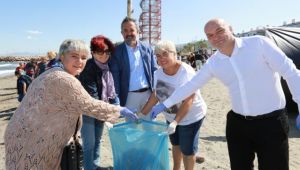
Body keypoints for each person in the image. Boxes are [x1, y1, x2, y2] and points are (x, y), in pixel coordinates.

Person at [149, 18, 300, 170]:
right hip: (238, 124)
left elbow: (291, 72)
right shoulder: (214, 62)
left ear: (231, 28)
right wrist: (165, 104)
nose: (215, 37)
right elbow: (191, 85)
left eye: (219, 31)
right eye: (210, 35)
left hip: (271, 123)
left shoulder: (258, 44)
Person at [4, 39, 138, 170]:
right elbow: (89, 104)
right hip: (34, 143)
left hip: (21, 135)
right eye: (74, 56)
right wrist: (120, 110)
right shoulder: (65, 79)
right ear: (62, 56)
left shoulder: (50, 72)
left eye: (84, 57)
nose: (80, 62)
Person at [141, 40, 207, 170]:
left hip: (190, 117)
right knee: (176, 144)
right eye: (158, 56)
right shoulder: (158, 72)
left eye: (165, 54)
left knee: (188, 150)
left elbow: (189, 99)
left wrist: (176, 122)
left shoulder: (185, 71)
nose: (161, 58)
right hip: (171, 117)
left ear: (174, 54)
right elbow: (156, 94)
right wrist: (142, 113)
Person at [78, 35, 119, 170]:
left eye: (107, 52)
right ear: (93, 52)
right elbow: (92, 96)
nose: (104, 55)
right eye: (100, 52)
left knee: (97, 141)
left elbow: (111, 92)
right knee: (89, 144)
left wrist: (117, 105)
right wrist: (110, 112)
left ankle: (94, 166)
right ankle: (89, 167)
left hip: (100, 110)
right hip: (88, 112)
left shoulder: (106, 67)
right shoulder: (88, 67)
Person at [110, 17, 158, 120]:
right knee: (132, 131)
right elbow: (115, 80)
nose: (129, 33)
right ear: (122, 33)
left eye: (132, 30)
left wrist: (156, 94)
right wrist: (116, 102)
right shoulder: (116, 52)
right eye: (125, 30)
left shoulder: (147, 48)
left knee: (149, 129)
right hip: (129, 98)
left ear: (138, 31)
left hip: (148, 96)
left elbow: (155, 71)